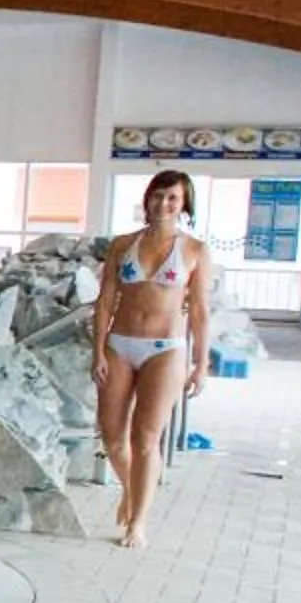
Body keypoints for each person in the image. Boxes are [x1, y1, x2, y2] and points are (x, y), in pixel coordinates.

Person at [90, 169, 210, 549]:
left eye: (172, 198)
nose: (164, 204)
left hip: (166, 349)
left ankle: (137, 522)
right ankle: (131, 489)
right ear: (147, 199)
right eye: (158, 196)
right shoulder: (122, 245)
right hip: (120, 344)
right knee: (111, 435)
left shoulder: (193, 251)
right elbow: (106, 299)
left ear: (184, 204)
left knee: (145, 437)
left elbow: (200, 312)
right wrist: (97, 350)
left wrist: (201, 363)